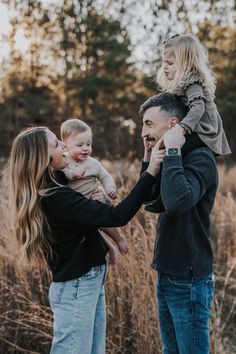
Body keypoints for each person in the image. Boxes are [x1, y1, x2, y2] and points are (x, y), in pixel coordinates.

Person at [8, 126, 164, 354]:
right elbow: (117, 216)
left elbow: (78, 228)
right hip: (76, 288)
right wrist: (151, 171)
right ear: (43, 158)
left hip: (85, 283)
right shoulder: (56, 197)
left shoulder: (55, 187)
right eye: (56, 144)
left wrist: (104, 244)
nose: (64, 146)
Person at [140, 93, 219, 354]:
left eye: (149, 124)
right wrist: (149, 157)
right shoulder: (171, 156)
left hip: (189, 278)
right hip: (167, 271)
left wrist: (172, 150)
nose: (143, 131)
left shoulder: (200, 158)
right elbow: (151, 199)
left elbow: (176, 202)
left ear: (174, 124)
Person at [60, 118, 128, 264]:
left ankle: (119, 239)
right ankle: (108, 247)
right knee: (88, 232)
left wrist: (109, 188)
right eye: (80, 145)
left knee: (104, 223)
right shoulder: (62, 161)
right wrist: (70, 174)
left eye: (88, 144)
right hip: (75, 207)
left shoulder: (92, 163)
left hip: (93, 200)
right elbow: (56, 177)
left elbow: (105, 176)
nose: (85, 148)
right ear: (65, 146)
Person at [157, 33, 231, 156]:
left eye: (170, 64)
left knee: (169, 148)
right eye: (164, 62)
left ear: (187, 64)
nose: (165, 67)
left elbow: (198, 108)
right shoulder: (182, 84)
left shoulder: (193, 83)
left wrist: (182, 128)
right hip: (196, 130)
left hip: (205, 132)